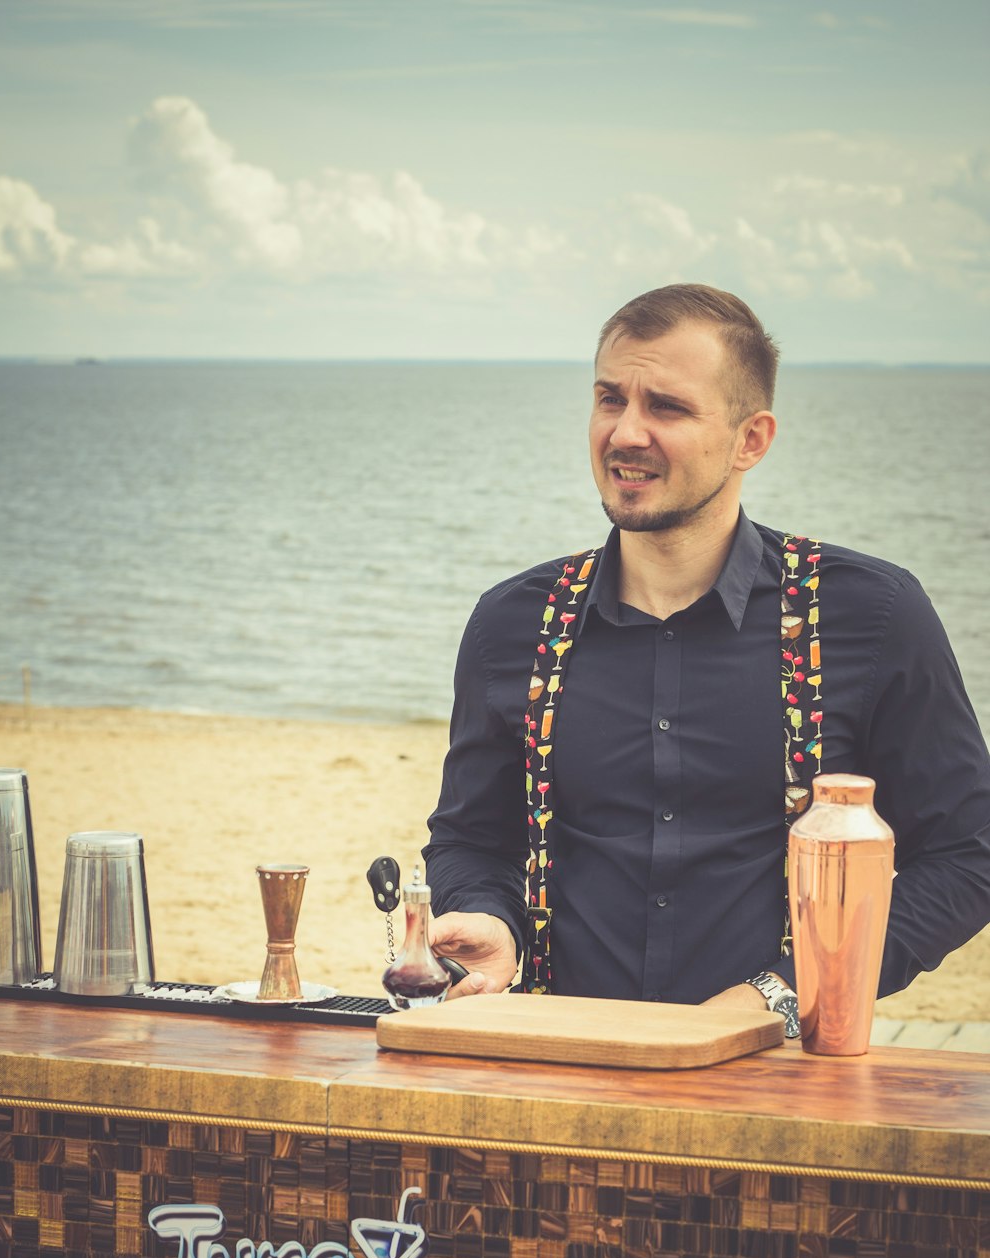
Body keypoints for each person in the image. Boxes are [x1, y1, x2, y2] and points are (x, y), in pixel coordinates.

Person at [422, 284, 990, 1022]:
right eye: (608, 399)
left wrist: (783, 995)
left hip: (782, 1074)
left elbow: (966, 852)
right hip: (558, 1062)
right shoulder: (513, 623)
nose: (625, 433)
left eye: (667, 407)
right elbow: (470, 836)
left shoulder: (874, 614)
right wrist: (492, 923)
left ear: (751, 439)